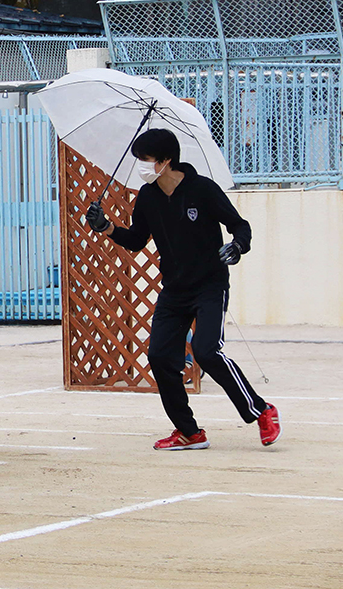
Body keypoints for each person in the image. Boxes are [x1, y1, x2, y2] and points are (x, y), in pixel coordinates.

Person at [85, 128, 280, 450]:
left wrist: (238, 246)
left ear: (165, 161)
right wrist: (105, 227)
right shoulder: (147, 196)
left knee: (207, 351)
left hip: (209, 285)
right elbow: (136, 241)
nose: (141, 167)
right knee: (160, 357)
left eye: (145, 161)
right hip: (174, 289)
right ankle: (189, 432)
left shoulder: (202, 190)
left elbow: (239, 225)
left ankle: (262, 411)